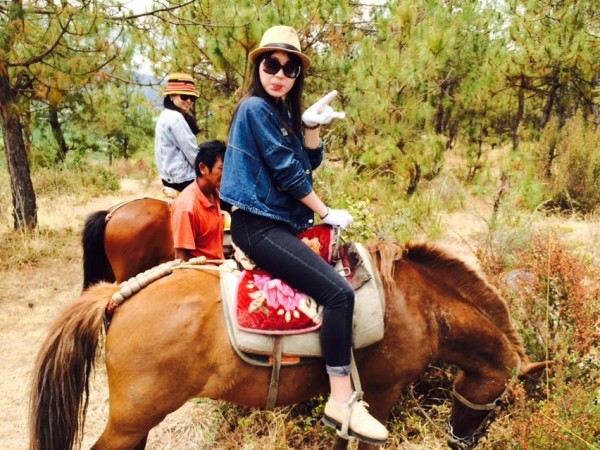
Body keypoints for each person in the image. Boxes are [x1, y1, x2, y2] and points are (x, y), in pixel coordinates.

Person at [220, 25, 388, 445]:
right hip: (259, 225)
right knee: (339, 294)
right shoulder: (255, 109)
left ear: (297, 75)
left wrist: (310, 127)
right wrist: (326, 212)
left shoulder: (278, 113)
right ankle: (340, 399)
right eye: (271, 64)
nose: (279, 74)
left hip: (279, 222)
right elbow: (288, 174)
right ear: (258, 66)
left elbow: (307, 163)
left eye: (289, 68)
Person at [171, 140, 226, 262]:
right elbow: (181, 260)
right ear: (203, 168)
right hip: (201, 272)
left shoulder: (214, 194)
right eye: (222, 168)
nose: (227, 174)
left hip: (220, 267)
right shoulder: (187, 207)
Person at [154, 72, 201, 193]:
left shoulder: (165, 115)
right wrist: (205, 168)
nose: (189, 101)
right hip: (183, 178)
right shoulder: (176, 118)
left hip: (168, 177)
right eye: (184, 96)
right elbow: (191, 152)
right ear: (171, 96)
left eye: (192, 98)